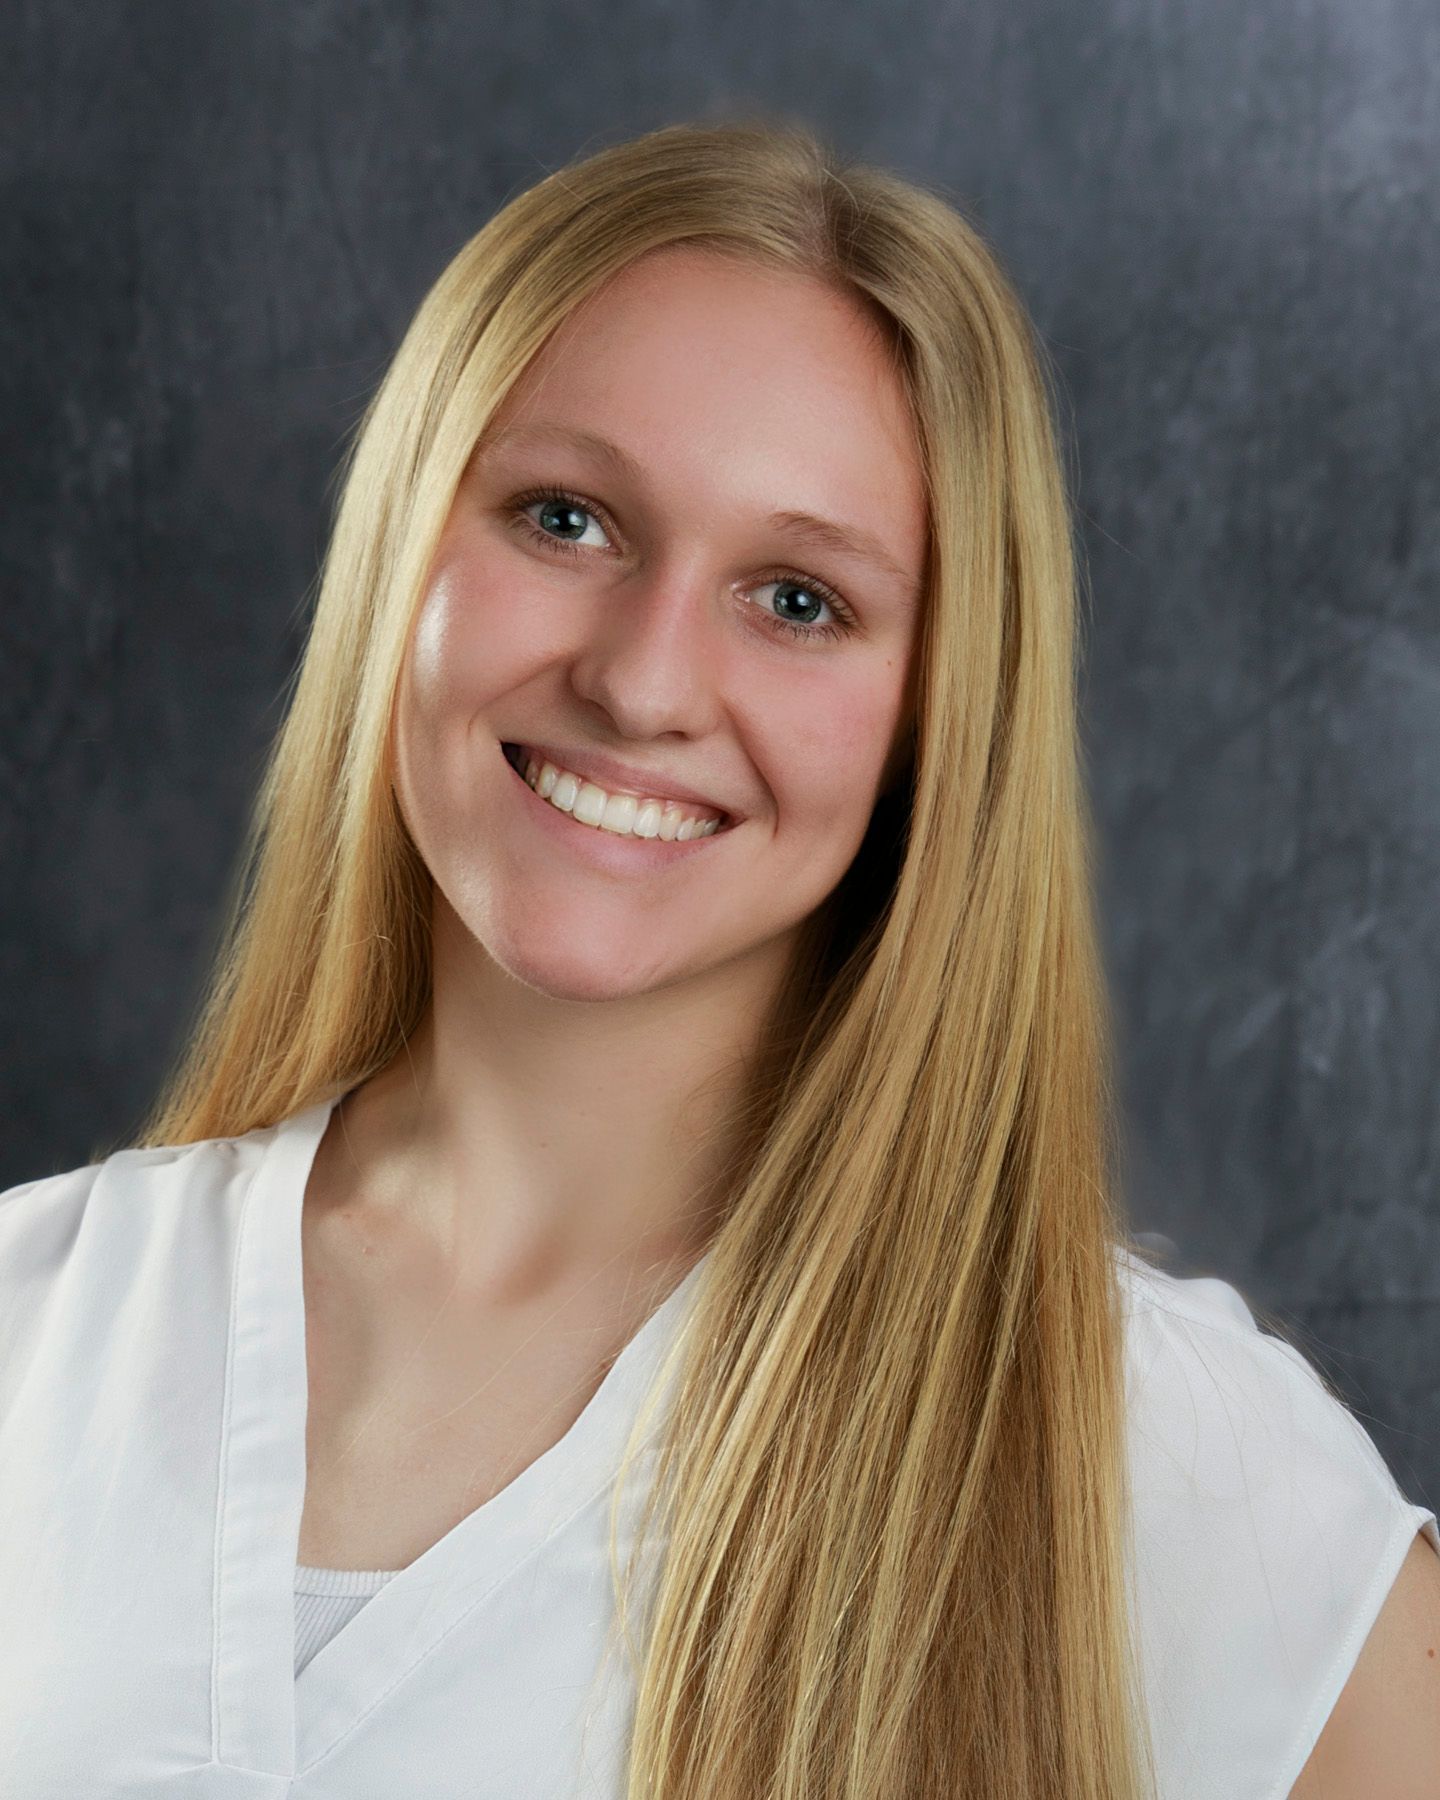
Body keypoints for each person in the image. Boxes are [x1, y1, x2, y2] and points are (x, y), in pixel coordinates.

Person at [0, 118, 1435, 1800]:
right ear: (402, 545)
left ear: (933, 721)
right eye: (565, 518)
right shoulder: (33, 1323)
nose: (644, 682)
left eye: (799, 600)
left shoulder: (1160, 1463)